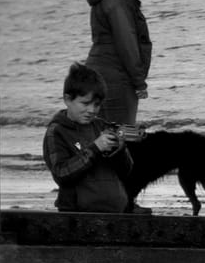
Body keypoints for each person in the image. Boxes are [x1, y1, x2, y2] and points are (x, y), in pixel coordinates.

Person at [43, 62, 138, 214]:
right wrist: (95, 149)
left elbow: (126, 171)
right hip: (76, 213)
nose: (92, 110)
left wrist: (120, 150)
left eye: (97, 105)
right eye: (85, 103)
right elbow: (61, 173)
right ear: (67, 99)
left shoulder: (102, 126)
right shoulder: (57, 131)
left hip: (115, 210)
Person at [84, 0, 152, 126]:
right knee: (122, 132)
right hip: (117, 77)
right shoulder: (118, 1)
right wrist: (139, 82)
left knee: (100, 132)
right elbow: (127, 43)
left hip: (95, 72)